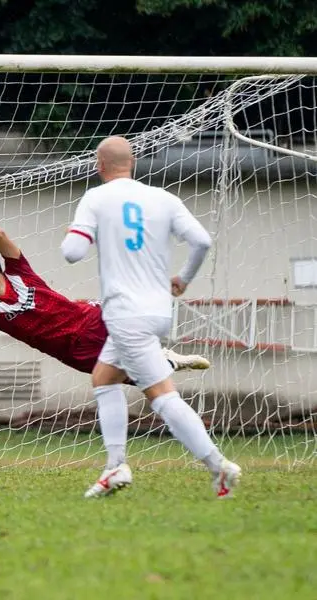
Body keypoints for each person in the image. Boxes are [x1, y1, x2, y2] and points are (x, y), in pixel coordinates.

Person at [0, 197, 210, 411]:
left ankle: (160, 339)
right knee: (139, 379)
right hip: (73, 351)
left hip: (89, 318)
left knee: (128, 307)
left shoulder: (20, 273)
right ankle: (166, 363)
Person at [61, 135, 240, 499]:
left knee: (161, 395)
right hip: (158, 310)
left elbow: (72, 253)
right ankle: (114, 466)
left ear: (99, 166)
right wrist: (183, 279)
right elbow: (202, 241)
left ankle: (218, 465)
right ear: (134, 164)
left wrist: (82, 234)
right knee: (104, 378)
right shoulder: (164, 198)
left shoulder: (96, 197)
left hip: (125, 313)